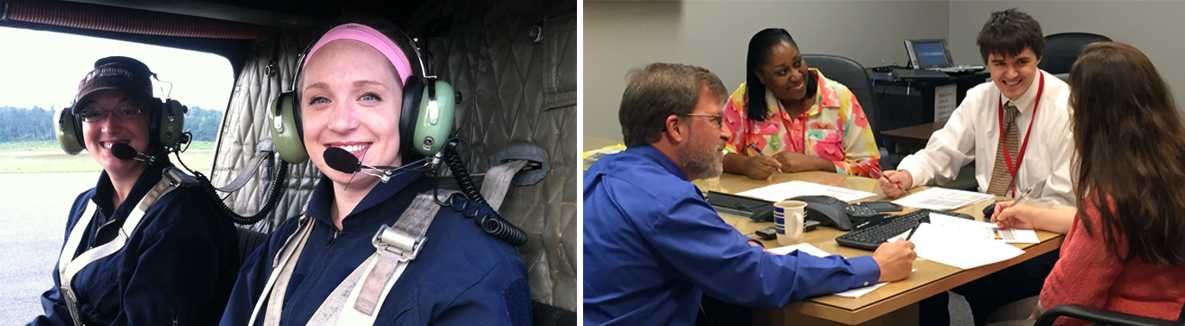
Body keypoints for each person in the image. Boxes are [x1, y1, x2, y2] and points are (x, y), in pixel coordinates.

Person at [218, 23, 531, 325]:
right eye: (320, 99)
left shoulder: (472, 259)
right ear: (293, 122)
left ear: (417, 114)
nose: (341, 122)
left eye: (369, 96)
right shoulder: (283, 246)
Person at [583, 62, 916, 325]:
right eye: (715, 120)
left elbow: (696, 235)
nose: (727, 132)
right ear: (675, 127)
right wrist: (873, 267)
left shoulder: (604, 171)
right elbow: (761, 278)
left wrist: (732, 247)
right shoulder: (664, 199)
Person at [879, 9, 1074, 326]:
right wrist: (906, 174)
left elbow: (1063, 197)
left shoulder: (1065, 107)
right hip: (988, 228)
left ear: (1038, 58)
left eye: (1021, 62)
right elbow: (942, 151)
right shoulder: (980, 98)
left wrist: (1023, 213)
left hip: (1040, 238)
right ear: (987, 63)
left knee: (978, 283)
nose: (1010, 74)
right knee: (920, 271)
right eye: (999, 64)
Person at [30, 56, 240, 325]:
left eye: (127, 110)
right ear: (74, 128)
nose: (108, 126)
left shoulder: (184, 217)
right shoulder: (85, 207)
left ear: (157, 123)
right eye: (92, 113)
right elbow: (62, 305)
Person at [988, 42, 1185, 326]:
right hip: (1168, 310)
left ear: (1092, 118)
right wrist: (1034, 214)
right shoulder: (1168, 167)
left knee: (1001, 316)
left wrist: (1036, 316)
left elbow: (1065, 301)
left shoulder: (1113, 194)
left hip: (1116, 318)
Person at [722, 28, 882, 180]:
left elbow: (871, 169)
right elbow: (713, 154)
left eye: (798, 63)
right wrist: (744, 165)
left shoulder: (840, 98)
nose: (796, 76)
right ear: (761, 76)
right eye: (782, 72)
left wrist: (815, 164)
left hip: (833, 202)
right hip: (766, 202)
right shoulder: (744, 100)